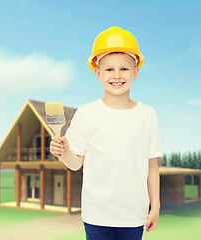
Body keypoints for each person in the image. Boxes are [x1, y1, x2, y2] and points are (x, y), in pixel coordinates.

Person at [50, 26, 163, 240]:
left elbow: (152, 165)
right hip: (96, 215)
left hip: (134, 215)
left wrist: (155, 206)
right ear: (98, 73)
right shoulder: (86, 113)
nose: (117, 75)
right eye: (109, 69)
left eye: (124, 69)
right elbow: (75, 163)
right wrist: (63, 151)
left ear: (135, 72)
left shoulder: (148, 115)